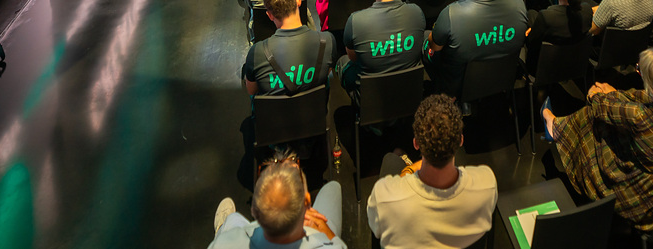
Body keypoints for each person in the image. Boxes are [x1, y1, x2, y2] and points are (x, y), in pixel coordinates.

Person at [540, 49, 653, 229]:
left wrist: (597, 94)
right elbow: (639, 97)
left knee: (595, 119)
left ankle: (555, 127)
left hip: (649, 204)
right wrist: (615, 93)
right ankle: (557, 127)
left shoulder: (641, 117)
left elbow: (601, 105)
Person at [367, 95, 497, 249]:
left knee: (391, 159)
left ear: (416, 143)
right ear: (460, 141)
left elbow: (376, 232)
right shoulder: (486, 183)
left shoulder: (384, 197)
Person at [425, 0, 528, 95]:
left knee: (426, 37)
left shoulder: (451, 13)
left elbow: (434, 47)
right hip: (503, 80)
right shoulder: (518, 3)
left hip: (459, 86)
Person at [209, 157, 344, 249]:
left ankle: (222, 228)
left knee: (233, 219)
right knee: (333, 187)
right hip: (312, 231)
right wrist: (328, 233)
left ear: (255, 210)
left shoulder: (223, 245)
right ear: (307, 201)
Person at [338, 0, 426, 99]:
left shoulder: (356, 20)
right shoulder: (417, 12)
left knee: (342, 62)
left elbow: (353, 57)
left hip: (371, 99)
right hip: (409, 93)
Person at [244, 0, 335, 96]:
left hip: (275, 113)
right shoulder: (327, 40)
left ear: (270, 15)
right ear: (298, 0)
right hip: (314, 111)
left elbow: (251, 91)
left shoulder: (258, 52)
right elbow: (327, 72)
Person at [524, 0, 595, 73]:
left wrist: (532, 30)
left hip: (545, 67)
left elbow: (531, 42)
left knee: (531, 14)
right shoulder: (587, 10)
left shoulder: (546, 16)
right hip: (575, 64)